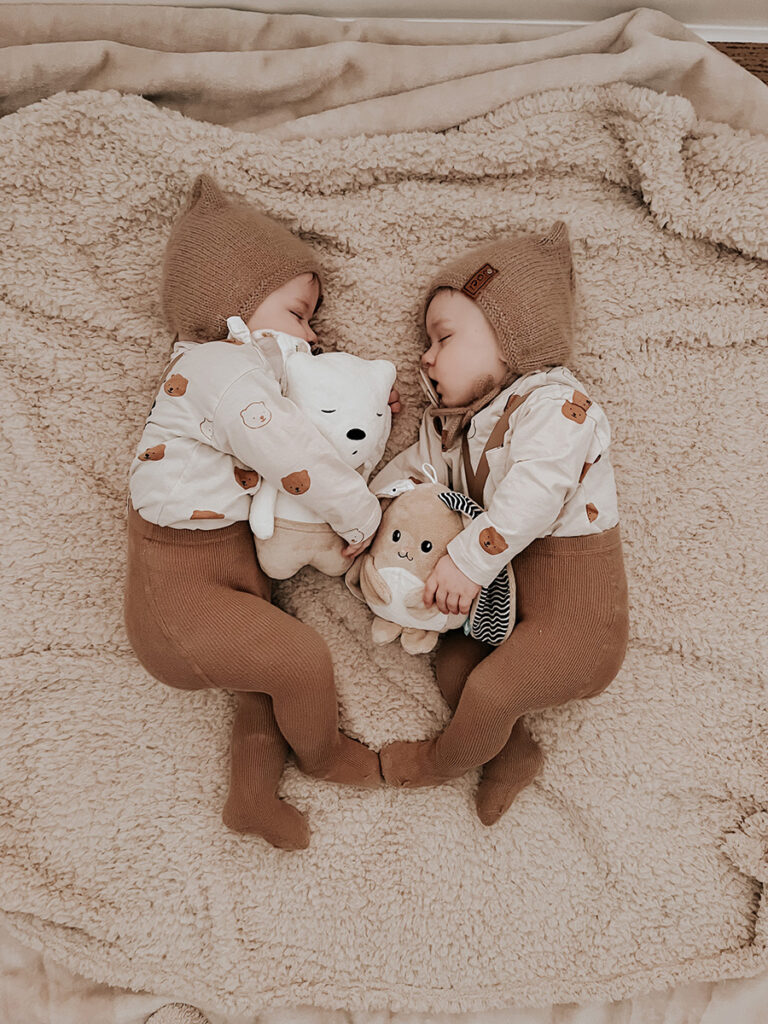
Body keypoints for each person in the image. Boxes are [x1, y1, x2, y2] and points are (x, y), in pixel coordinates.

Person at [123, 174, 400, 851]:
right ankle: (326, 755)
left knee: (264, 689)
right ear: (235, 310)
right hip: (180, 598)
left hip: (222, 582)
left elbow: (311, 431)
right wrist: (362, 515)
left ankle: (250, 800)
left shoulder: (240, 376)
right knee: (301, 662)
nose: (313, 336)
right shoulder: (220, 368)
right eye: (300, 315)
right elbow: (289, 448)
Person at [369, 220, 629, 826]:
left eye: (442, 338)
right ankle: (511, 754)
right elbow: (411, 478)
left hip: (579, 625)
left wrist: (465, 560)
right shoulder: (452, 427)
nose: (425, 357)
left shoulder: (557, 405)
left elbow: (536, 493)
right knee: (456, 663)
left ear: (509, 341)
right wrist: (366, 516)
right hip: (504, 610)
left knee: (490, 692)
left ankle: (435, 764)